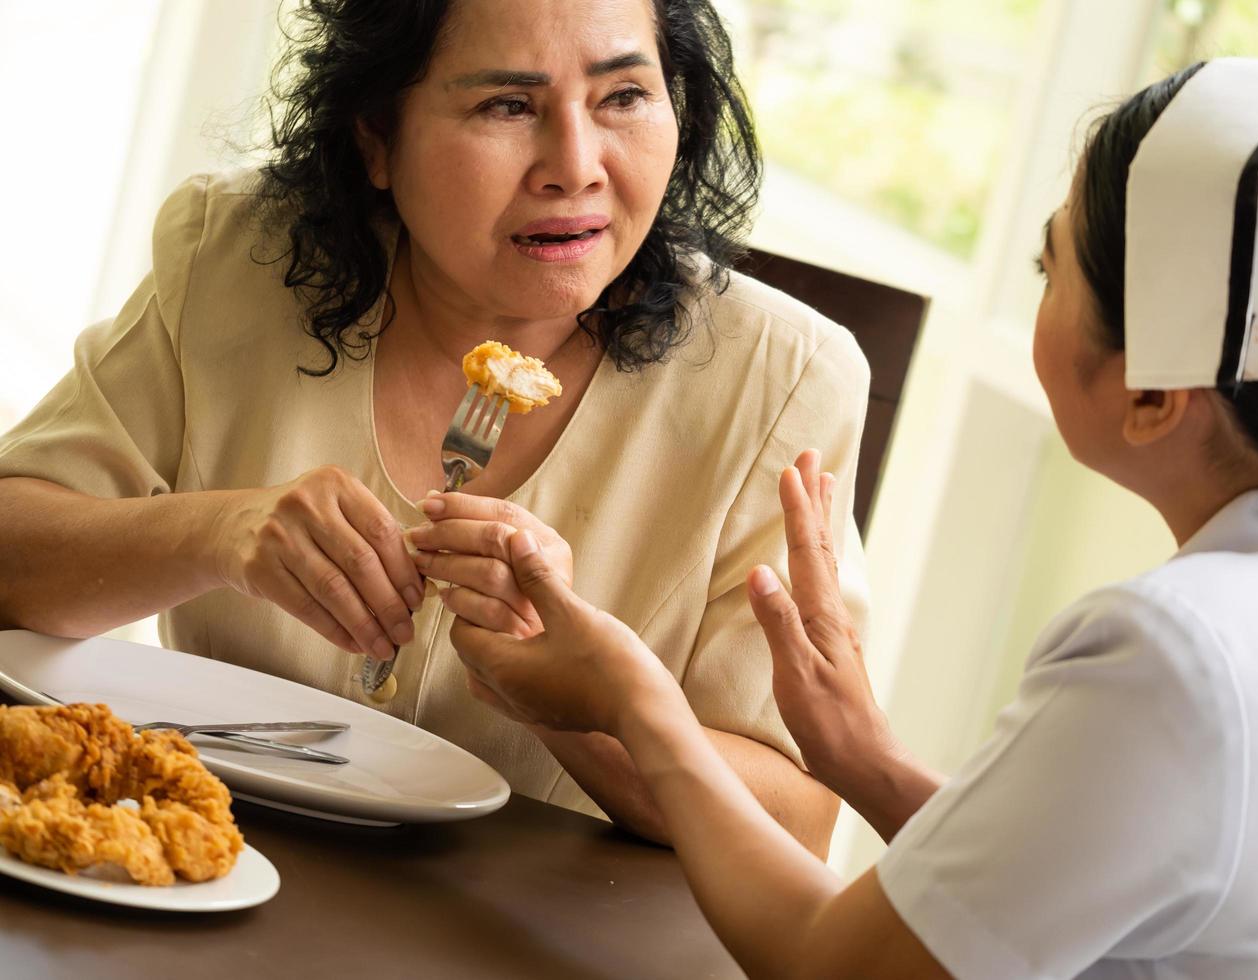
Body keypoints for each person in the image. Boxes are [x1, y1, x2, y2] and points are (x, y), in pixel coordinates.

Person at [439, 59, 1258, 977]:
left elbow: (833, 964)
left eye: (1049, 268)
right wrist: (869, 764)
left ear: (1154, 395)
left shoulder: (1178, 654)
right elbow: (1085, 885)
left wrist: (626, 696)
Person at [0, 0, 871, 853]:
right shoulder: (232, 253)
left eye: (624, 97)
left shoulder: (788, 381)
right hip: (192, 862)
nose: (575, 166)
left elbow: (797, 819)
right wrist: (214, 532)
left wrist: (580, 700)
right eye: (508, 105)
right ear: (377, 136)